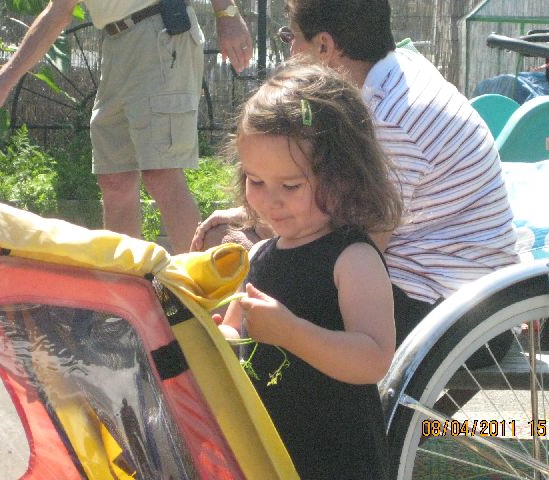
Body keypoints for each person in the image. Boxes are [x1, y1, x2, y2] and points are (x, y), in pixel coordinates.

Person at [192, 0, 519, 344]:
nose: (290, 51)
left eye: (292, 38)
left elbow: (359, 239)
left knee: (241, 254)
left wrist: (257, 232)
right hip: (466, 296)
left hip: (454, 314)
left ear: (324, 46)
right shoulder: (399, 74)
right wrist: (255, 216)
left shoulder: (389, 119)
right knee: (243, 245)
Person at [217, 61, 403, 479]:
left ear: (342, 178)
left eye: (291, 185)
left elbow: (374, 358)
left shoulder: (352, 258)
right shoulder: (259, 255)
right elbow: (235, 330)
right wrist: (214, 336)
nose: (271, 200)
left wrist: (291, 333)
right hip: (275, 456)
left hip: (339, 459)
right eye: (255, 181)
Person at [0, 0, 252, 254]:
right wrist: (4, 80)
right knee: (115, 180)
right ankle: (126, 288)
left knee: (162, 173)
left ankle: (200, 287)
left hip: (160, 31)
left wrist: (227, 13)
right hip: (115, 43)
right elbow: (57, 13)